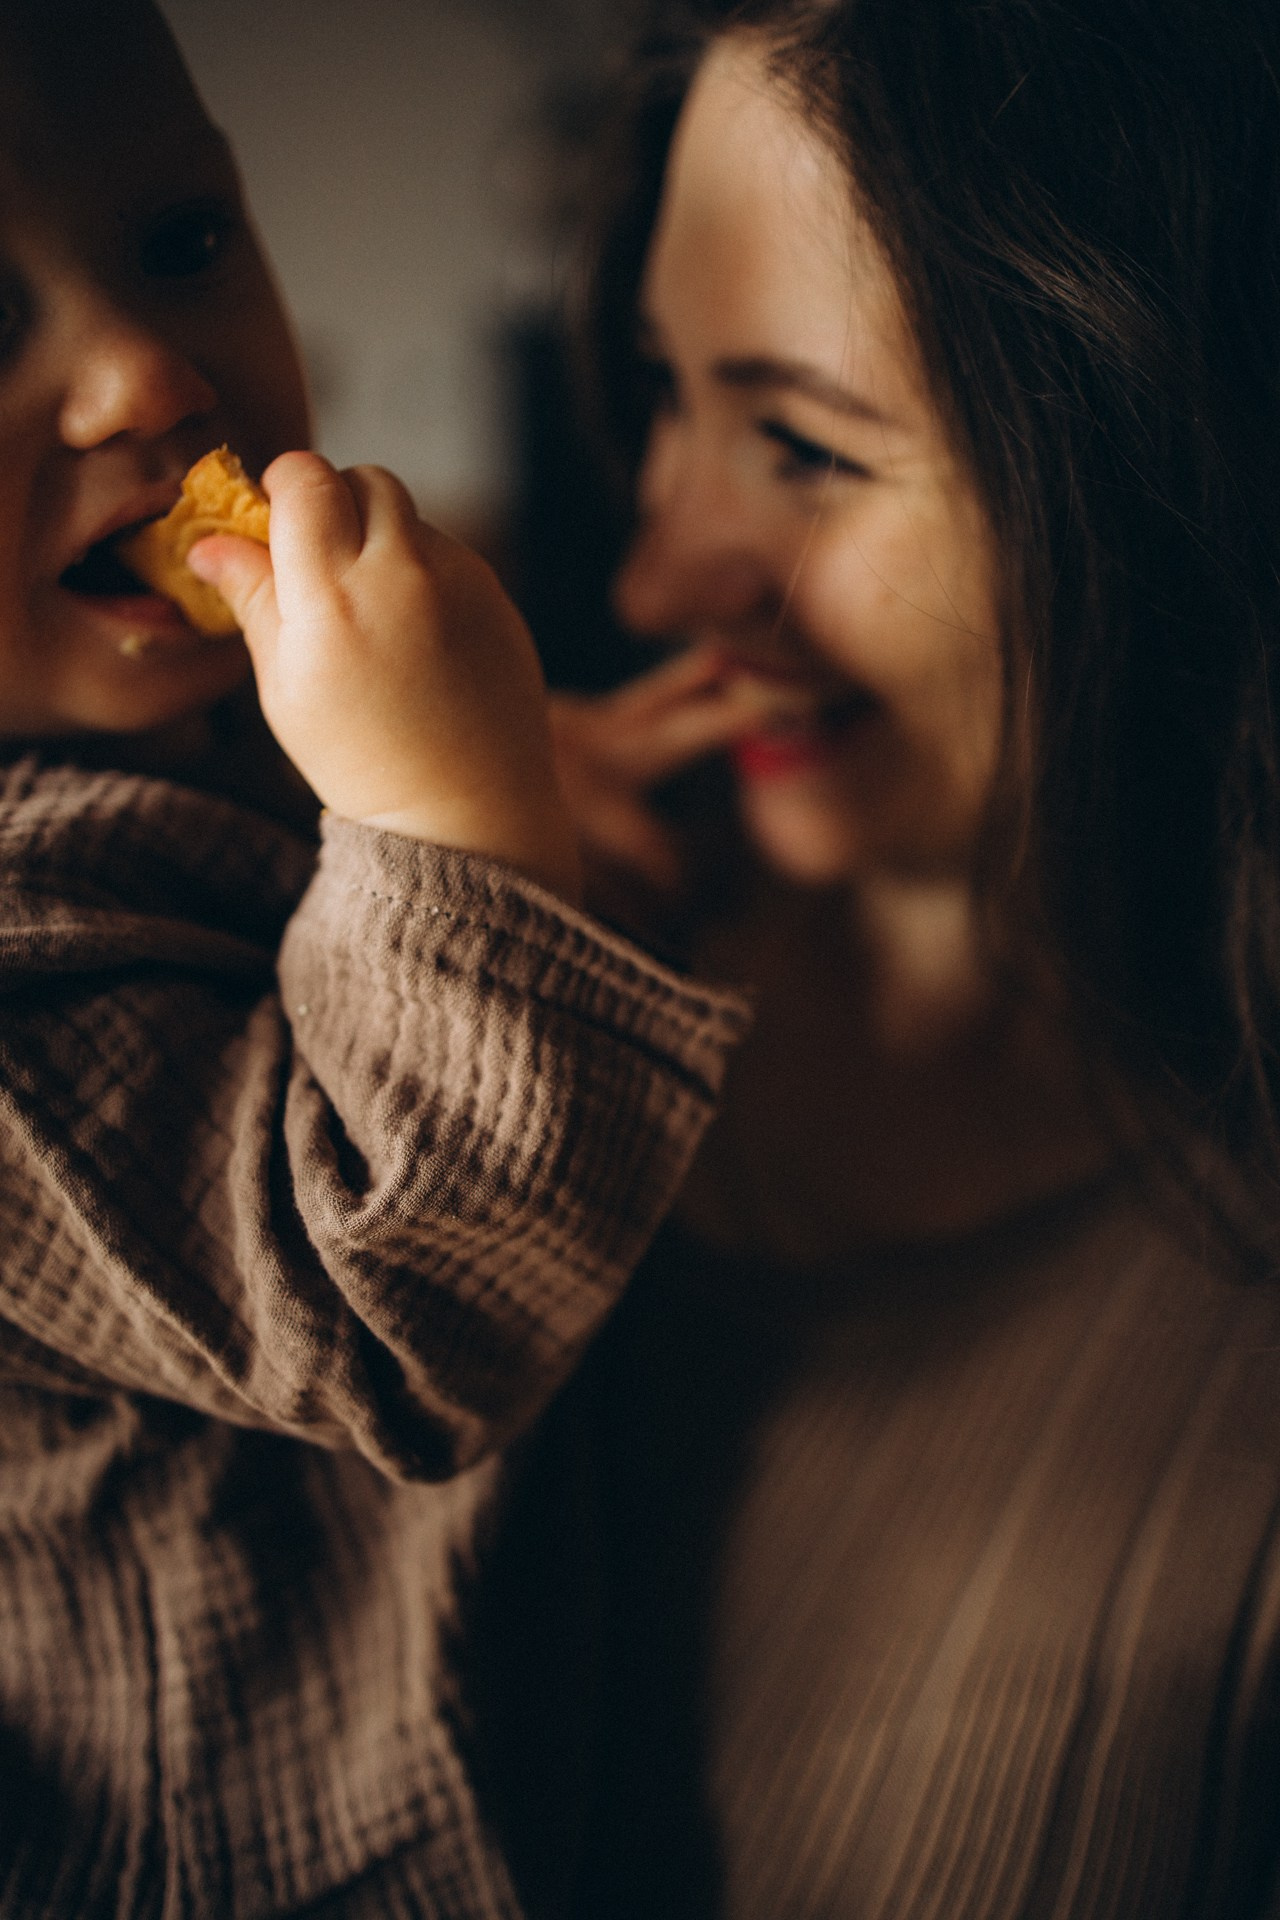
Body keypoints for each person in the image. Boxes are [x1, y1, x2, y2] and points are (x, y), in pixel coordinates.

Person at [486, 0, 1280, 1914]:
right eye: (670, 399)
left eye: (805, 448)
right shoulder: (473, 1018)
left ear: (1173, 461)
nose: (656, 578)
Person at [0, 3, 750, 1914]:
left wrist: (525, 794)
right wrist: (456, 826)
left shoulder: (174, 725)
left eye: (181, 241)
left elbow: (299, 907)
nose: (144, 377)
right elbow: (393, 1301)